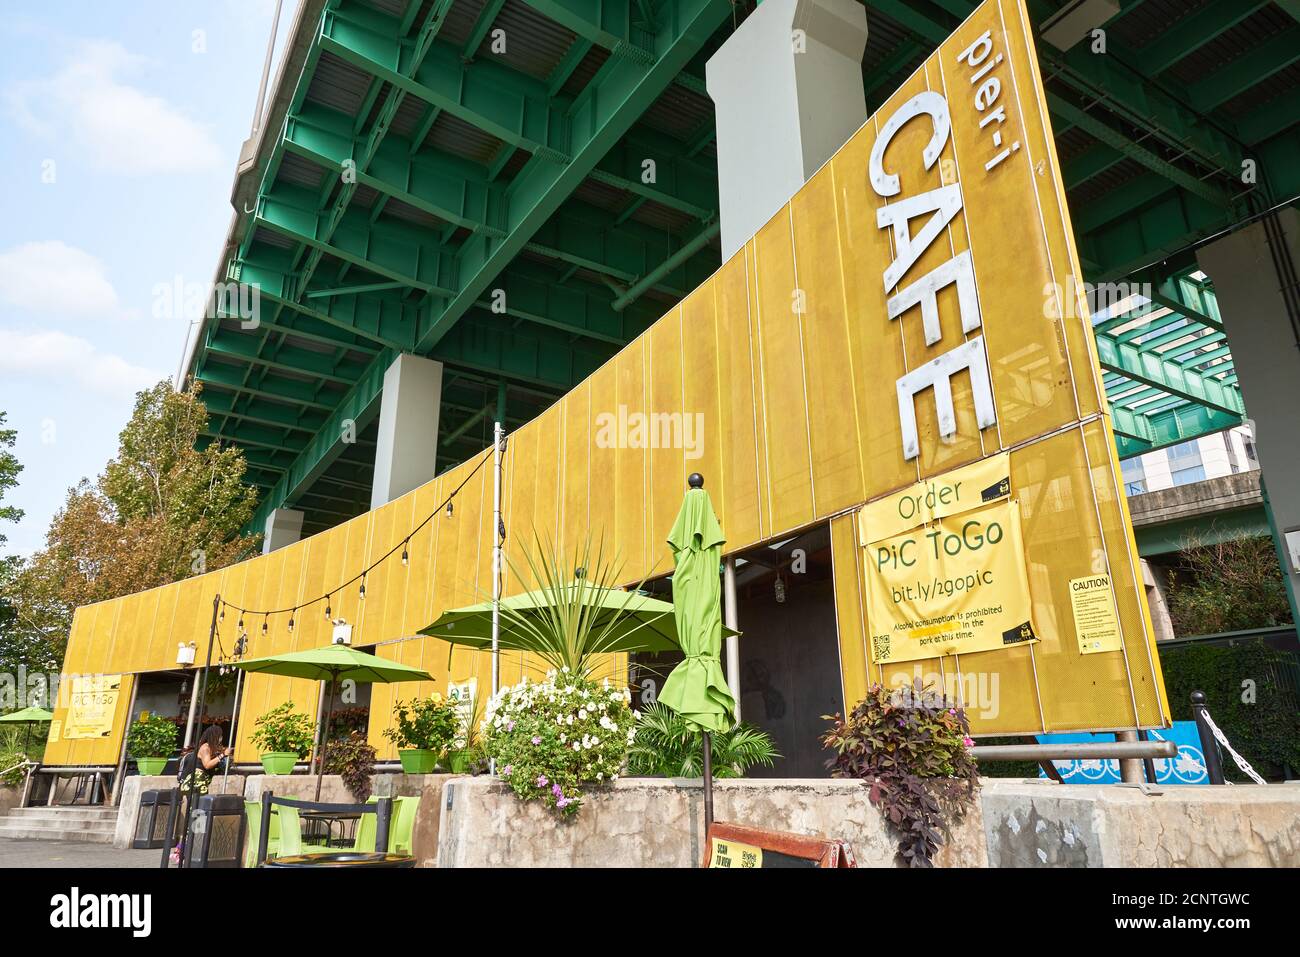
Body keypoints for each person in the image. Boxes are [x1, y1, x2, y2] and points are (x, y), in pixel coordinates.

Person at [170, 725, 233, 864]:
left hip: (198, 785)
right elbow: (207, 764)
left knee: (197, 815)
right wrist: (223, 755)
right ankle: (182, 851)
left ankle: (187, 849)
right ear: (215, 736)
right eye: (220, 736)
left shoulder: (208, 747)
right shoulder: (205, 748)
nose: (221, 739)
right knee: (196, 815)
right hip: (196, 786)